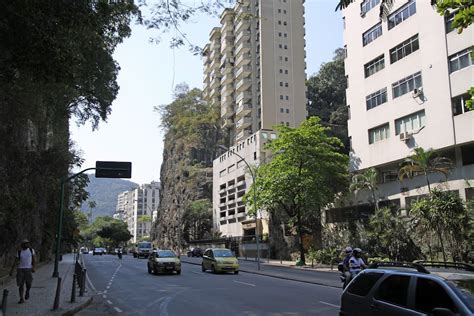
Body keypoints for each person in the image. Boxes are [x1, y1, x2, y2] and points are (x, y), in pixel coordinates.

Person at [10, 239, 36, 304]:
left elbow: (34, 260)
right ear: (22, 245)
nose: (27, 244)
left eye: (28, 243)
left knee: (29, 284)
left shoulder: (31, 250)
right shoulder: (19, 252)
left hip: (28, 269)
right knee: (20, 285)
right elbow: (15, 261)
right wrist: (12, 270)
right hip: (20, 269)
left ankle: (27, 291)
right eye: (25, 243)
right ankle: (21, 298)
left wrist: (33, 267)